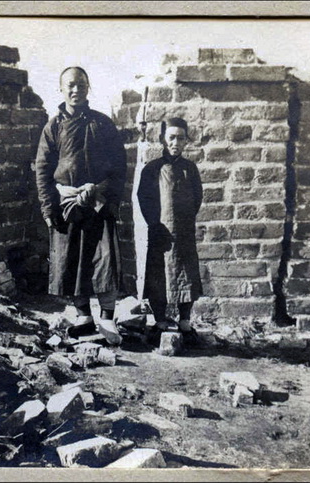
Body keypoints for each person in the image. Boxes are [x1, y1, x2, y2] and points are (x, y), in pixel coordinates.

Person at [35, 66, 127, 345]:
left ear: (89, 88)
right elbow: (42, 169)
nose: (76, 90)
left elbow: (120, 166)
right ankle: (83, 315)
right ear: (61, 89)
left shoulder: (103, 124)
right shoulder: (53, 127)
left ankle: (108, 318)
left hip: (98, 204)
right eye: (71, 85)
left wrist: (97, 189)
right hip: (67, 205)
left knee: (104, 260)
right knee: (72, 261)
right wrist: (49, 208)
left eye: (82, 85)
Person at [137, 117, 203, 344]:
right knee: (159, 273)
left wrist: (184, 220)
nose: (176, 142)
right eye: (171, 137)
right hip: (161, 231)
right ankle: (160, 320)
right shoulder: (152, 169)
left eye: (181, 138)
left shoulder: (190, 169)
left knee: (186, 273)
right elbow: (143, 197)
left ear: (186, 141)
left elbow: (197, 198)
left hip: (183, 230)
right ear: (163, 139)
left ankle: (185, 321)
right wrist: (155, 223)